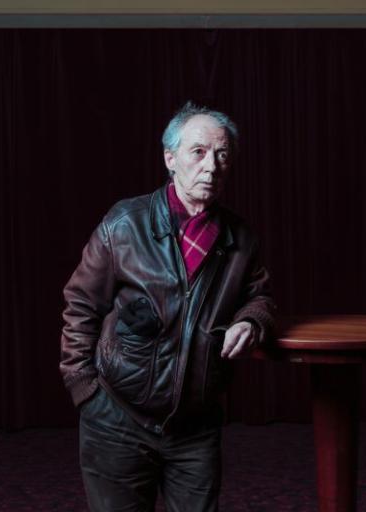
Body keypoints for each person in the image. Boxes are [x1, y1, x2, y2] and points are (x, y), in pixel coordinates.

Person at [60, 101, 276, 512]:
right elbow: (80, 304)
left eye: (222, 154)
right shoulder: (124, 224)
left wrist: (251, 320)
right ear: (170, 158)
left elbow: (260, 297)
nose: (211, 165)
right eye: (198, 152)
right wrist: (83, 389)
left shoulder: (240, 239)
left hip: (195, 427)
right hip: (116, 419)